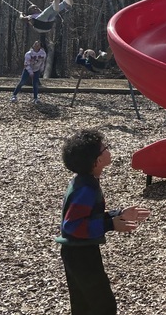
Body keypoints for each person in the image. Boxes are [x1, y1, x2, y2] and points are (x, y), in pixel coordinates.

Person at [56, 129, 151, 315]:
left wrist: (119, 214)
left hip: (76, 250)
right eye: (105, 148)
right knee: (102, 304)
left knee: (83, 303)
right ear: (97, 162)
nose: (108, 149)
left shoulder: (85, 180)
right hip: (80, 254)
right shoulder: (87, 188)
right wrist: (111, 224)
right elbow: (73, 225)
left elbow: (87, 217)